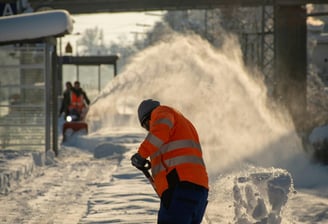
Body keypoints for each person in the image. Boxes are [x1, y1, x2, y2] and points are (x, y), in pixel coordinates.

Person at [131, 99, 209, 224]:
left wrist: (141, 154)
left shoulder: (161, 112)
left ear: (148, 117)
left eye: (146, 126)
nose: (149, 130)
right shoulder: (183, 123)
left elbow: (160, 131)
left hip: (180, 186)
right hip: (199, 191)